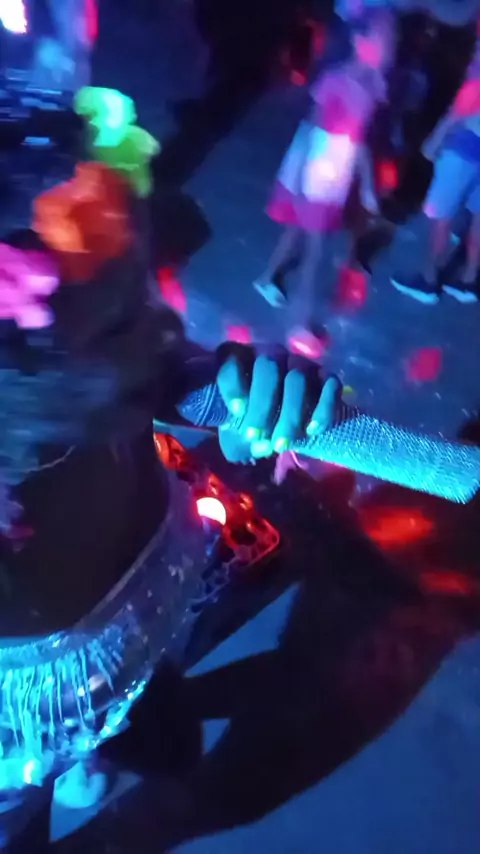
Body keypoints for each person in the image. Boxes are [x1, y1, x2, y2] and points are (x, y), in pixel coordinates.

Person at [0, 88, 341, 849]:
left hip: (155, 590)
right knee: (22, 810)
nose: (163, 326)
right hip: (19, 702)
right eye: (120, 321)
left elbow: (163, 367)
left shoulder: (90, 326)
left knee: (160, 732)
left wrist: (243, 390)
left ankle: (95, 744)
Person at [253, 9, 395, 352]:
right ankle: (299, 324)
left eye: (389, 40)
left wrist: (365, 184)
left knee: (302, 230)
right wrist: (302, 173)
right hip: (320, 163)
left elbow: (360, 138)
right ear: (359, 41)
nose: (387, 47)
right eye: (381, 39)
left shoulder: (374, 84)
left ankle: (268, 277)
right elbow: (315, 126)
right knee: (315, 247)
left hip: (336, 165)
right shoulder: (338, 79)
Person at [391, 26, 480, 303]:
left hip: (463, 146)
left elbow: (460, 109)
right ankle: (468, 280)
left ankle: (428, 280)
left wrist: (434, 140)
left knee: (441, 215)